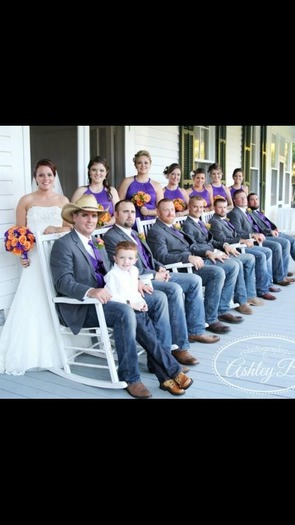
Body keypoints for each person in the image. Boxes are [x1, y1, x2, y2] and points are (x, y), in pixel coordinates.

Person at [50, 194, 192, 398]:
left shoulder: (95, 242)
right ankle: (133, 377)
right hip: (84, 306)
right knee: (127, 311)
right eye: (85, 215)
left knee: (152, 302)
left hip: (113, 297)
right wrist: (91, 291)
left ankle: (163, 371)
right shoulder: (64, 245)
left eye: (93, 216)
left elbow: (113, 271)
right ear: (74, 217)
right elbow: (63, 282)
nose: (90, 220)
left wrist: (135, 282)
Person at [103, 200, 219, 366]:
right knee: (173, 290)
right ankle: (177, 348)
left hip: (154, 274)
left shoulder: (134, 233)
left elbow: (149, 257)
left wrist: (161, 268)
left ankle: (195, 330)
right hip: (139, 281)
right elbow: (124, 267)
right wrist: (153, 274)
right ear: (116, 214)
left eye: (132, 212)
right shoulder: (112, 236)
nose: (130, 215)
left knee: (194, 280)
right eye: (125, 212)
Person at [0, 158, 72, 375]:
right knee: (33, 297)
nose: (45, 179)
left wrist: (57, 228)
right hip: (34, 257)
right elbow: (19, 233)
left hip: (57, 255)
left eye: (49, 174)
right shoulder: (26, 200)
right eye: (41, 175)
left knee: (54, 294)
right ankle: (31, 351)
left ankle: (62, 347)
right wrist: (21, 255)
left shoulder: (62, 199)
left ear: (54, 176)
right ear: (35, 177)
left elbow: (70, 227)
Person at [104, 240, 193, 395]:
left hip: (138, 309)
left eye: (130, 258)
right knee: (152, 342)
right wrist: (131, 304)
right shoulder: (112, 275)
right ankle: (174, 372)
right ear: (115, 258)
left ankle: (165, 380)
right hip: (124, 310)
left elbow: (134, 292)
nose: (126, 262)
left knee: (153, 341)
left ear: (135, 260)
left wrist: (142, 302)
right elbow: (112, 297)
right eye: (122, 258)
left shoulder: (133, 272)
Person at [146, 198, 243, 335]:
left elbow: (191, 246)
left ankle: (220, 309)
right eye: (166, 210)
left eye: (172, 210)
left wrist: (208, 252)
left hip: (194, 261)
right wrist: (188, 257)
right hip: (181, 267)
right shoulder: (156, 231)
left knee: (232, 266)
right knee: (217, 273)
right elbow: (161, 257)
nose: (170, 213)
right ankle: (211, 318)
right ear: (158, 212)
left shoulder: (172, 227)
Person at [182, 195, 263, 314]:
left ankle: (239, 301)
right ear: (189, 207)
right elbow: (192, 246)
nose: (199, 210)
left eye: (201, 207)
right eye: (195, 207)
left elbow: (211, 241)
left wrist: (224, 245)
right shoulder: (188, 225)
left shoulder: (199, 222)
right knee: (235, 265)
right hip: (203, 258)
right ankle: (226, 306)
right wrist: (211, 252)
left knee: (239, 262)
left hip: (215, 253)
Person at [209, 196, 277, 300]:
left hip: (238, 246)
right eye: (220, 207)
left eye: (225, 207)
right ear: (214, 208)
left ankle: (264, 286)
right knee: (259, 256)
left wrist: (249, 237)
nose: (223, 210)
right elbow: (223, 239)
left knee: (266, 252)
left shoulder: (224, 219)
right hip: (231, 249)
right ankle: (257, 292)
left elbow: (236, 234)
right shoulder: (214, 221)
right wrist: (241, 240)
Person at [228, 189, 292, 287]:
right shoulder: (234, 213)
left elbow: (257, 225)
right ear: (234, 200)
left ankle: (278, 276)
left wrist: (268, 231)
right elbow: (237, 232)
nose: (244, 199)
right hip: (250, 241)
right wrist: (252, 235)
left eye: (244, 197)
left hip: (258, 237)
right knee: (276, 245)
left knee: (284, 243)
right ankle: (277, 278)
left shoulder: (246, 211)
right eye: (240, 198)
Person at [247, 192, 295, 277]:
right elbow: (258, 227)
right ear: (248, 202)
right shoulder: (249, 213)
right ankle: (281, 273)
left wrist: (274, 227)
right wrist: (270, 231)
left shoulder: (258, 212)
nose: (255, 201)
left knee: (292, 240)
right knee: (285, 243)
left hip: (273, 231)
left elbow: (267, 222)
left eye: (256, 199)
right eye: (252, 200)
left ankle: (283, 269)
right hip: (267, 235)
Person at [71, 156, 119, 226]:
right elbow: (71, 214)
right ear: (89, 172)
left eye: (101, 170)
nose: (97, 173)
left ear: (106, 173)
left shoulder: (112, 191)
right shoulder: (80, 191)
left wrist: (106, 223)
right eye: (94, 170)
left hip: (109, 231)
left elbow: (119, 214)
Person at [118, 150, 164, 223]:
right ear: (135, 165)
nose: (143, 165)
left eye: (146, 163)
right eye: (139, 163)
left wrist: (148, 212)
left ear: (150, 165)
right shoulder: (127, 181)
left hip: (150, 224)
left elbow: (162, 210)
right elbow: (119, 206)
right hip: (129, 222)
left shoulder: (157, 185)